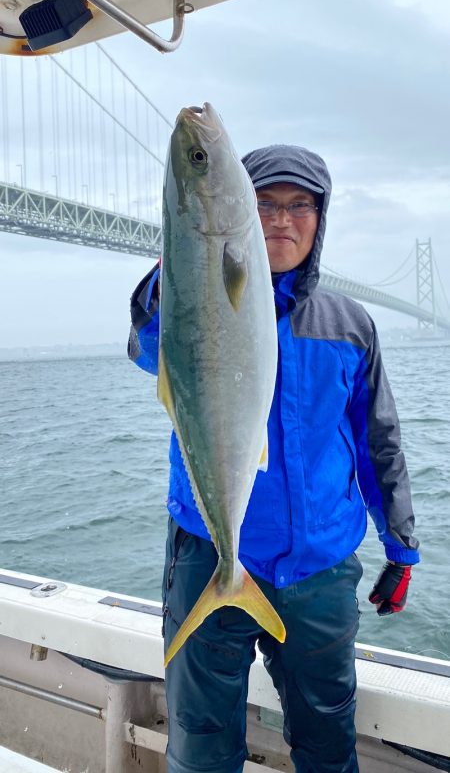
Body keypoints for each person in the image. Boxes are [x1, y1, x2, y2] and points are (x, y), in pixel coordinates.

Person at [128, 144, 420, 773]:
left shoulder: (349, 325)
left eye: (300, 206)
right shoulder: (198, 301)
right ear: (238, 208)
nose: (282, 220)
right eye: (263, 204)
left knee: (326, 744)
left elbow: (380, 444)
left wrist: (401, 548)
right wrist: (180, 268)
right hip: (210, 549)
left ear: (321, 218)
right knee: (200, 745)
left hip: (319, 571)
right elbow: (149, 348)